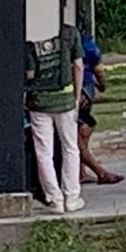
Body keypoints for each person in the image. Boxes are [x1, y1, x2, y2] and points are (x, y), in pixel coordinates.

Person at [25, 25, 84, 214]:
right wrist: (76, 96)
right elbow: (78, 65)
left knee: (43, 152)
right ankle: (72, 197)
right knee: (70, 147)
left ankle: (54, 199)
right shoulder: (69, 33)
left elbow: (28, 74)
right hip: (65, 100)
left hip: (39, 101)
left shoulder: (29, 33)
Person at [77, 28, 123, 186]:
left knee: (82, 131)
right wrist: (102, 83)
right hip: (83, 90)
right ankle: (99, 172)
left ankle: (80, 171)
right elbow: (96, 67)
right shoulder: (86, 44)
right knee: (81, 133)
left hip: (79, 89)